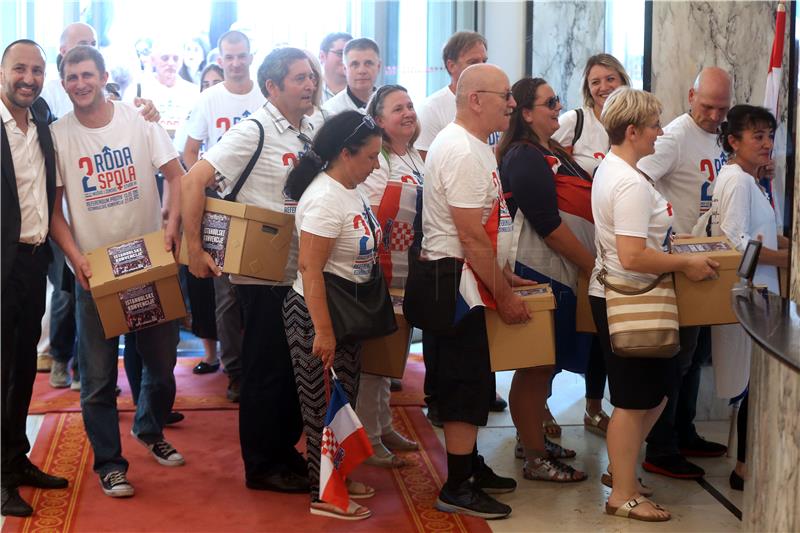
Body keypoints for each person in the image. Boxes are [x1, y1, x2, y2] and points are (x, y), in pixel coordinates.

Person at [48, 45, 186, 498]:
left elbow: (176, 174)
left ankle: (150, 429)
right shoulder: (58, 135)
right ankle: (110, 462)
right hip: (96, 273)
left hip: (149, 263)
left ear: (104, 76)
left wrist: (170, 226)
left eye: (88, 75)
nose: (80, 84)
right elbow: (54, 210)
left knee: (162, 366)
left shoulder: (138, 120)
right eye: (72, 77)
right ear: (64, 81)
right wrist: (75, 257)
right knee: (98, 377)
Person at [183, 47, 316, 493]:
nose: (310, 85)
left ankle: (284, 451)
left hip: (302, 270)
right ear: (273, 87)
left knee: (294, 369)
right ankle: (262, 465)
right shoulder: (253, 130)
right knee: (266, 371)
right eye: (299, 78)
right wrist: (194, 247)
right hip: (263, 274)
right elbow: (193, 179)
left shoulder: (310, 129)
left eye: (311, 77)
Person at [589, 86, 719, 522]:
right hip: (629, 297)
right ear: (632, 131)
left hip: (633, 293)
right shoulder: (626, 182)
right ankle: (622, 493)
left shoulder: (624, 171)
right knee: (632, 399)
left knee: (658, 391)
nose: (660, 133)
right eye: (654, 126)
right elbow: (632, 255)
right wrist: (685, 265)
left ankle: (620, 470)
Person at [415, 64, 524, 519]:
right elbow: (470, 236)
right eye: (505, 96)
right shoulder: (461, 150)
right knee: (464, 386)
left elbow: (485, 227)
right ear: (475, 99)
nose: (512, 104)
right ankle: (457, 486)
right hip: (454, 280)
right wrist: (506, 294)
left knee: (470, 381)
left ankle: (471, 465)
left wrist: (503, 275)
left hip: (465, 275)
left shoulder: (476, 145)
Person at [281, 110, 383, 520]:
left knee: (343, 401)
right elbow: (310, 270)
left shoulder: (348, 189)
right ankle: (323, 494)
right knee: (321, 408)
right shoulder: (324, 198)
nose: (376, 165)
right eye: (371, 156)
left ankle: (337, 475)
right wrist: (322, 332)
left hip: (344, 312)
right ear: (346, 153)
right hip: (316, 314)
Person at [637, 67, 732, 479]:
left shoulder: (722, 135)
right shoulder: (674, 136)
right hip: (680, 258)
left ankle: (684, 430)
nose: (714, 114)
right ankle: (661, 446)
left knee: (695, 356)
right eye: (707, 105)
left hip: (710, 257)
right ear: (691, 95)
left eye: (722, 108)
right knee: (678, 357)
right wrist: (666, 227)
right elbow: (638, 178)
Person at [496, 77, 592, 482]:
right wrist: (591, 265)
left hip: (560, 270)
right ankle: (535, 455)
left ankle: (529, 436)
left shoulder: (549, 150)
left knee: (547, 365)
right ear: (526, 112)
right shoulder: (523, 155)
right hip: (538, 269)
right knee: (536, 365)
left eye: (558, 100)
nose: (558, 107)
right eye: (549, 102)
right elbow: (548, 224)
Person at [1, 38, 70, 518]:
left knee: (24, 365)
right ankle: (3, 478)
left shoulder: (42, 120)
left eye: (38, 70)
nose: (29, 78)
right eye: (20, 68)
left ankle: (15, 460)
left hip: (33, 262)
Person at [546, 54, 631, 438]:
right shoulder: (575, 121)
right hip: (574, 238)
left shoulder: (631, 125)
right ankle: (541, 406)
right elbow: (541, 153)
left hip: (614, 239)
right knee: (563, 327)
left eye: (609, 79)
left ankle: (594, 408)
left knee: (600, 331)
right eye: (595, 81)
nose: (603, 87)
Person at [708, 105, 789, 491]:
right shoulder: (737, 181)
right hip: (752, 295)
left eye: (770, 135)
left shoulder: (749, 179)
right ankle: (743, 468)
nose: (767, 143)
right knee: (753, 386)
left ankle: (748, 464)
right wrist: (789, 258)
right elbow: (737, 245)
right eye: (757, 136)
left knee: (757, 384)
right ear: (733, 141)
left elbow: (763, 235)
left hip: (764, 293)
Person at [184, 30, 263, 401]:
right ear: (220, 57)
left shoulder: (266, 94)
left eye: (241, 55)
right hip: (220, 206)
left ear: (251, 56)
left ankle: (266, 363)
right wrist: (207, 176)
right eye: (229, 56)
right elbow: (188, 154)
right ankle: (234, 371)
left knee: (266, 290)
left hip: (264, 203)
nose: (235, 63)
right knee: (227, 294)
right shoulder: (208, 99)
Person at [353, 85, 422, 468]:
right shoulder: (376, 159)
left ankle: (383, 424)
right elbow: (371, 214)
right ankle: (368, 435)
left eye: (410, 105)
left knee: (392, 353)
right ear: (379, 120)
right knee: (374, 356)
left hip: (410, 268)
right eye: (398, 109)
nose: (409, 113)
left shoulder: (413, 155)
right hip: (379, 268)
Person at [415, 31, 488, 161]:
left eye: (484, 61)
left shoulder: (492, 103)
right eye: (473, 62)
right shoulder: (431, 109)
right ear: (451, 66)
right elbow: (425, 168)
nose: (482, 68)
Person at [322, 38, 380, 115]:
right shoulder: (330, 111)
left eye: (368, 63)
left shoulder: (390, 104)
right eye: (355, 64)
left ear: (378, 67)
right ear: (345, 69)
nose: (362, 71)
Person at [318, 32, 351, 102]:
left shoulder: (363, 93)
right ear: (322, 56)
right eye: (340, 53)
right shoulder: (310, 91)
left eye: (351, 55)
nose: (346, 59)